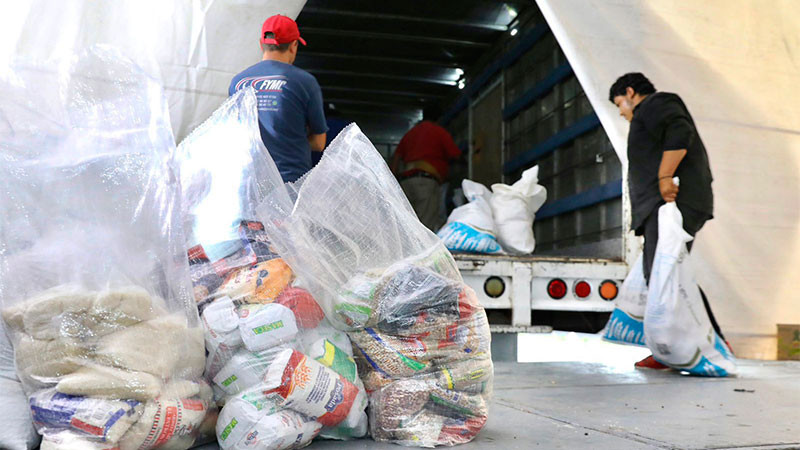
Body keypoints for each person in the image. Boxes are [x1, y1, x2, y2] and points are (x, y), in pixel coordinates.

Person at [609, 72, 728, 370]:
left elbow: (679, 131)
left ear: (631, 92)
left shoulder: (656, 104)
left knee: (666, 275)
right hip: (664, 206)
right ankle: (683, 346)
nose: (621, 112)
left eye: (619, 103)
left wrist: (664, 177)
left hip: (671, 202)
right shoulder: (648, 113)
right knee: (669, 274)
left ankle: (696, 346)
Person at [229, 15, 327, 183]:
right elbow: (319, 143)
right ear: (294, 45)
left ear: (261, 44)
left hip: (249, 181)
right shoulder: (305, 82)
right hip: (289, 182)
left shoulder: (238, 83)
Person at [390, 106, 462, 231]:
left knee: (407, 223)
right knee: (425, 226)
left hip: (406, 182)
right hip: (425, 182)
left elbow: (396, 158)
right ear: (439, 118)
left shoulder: (410, 134)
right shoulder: (438, 131)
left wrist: (392, 183)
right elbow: (456, 155)